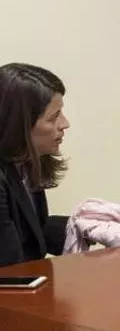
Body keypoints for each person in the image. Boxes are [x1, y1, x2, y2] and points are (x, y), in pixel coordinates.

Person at [0, 63, 71, 266]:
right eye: (54, 117)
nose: (65, 124)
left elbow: (33, 234)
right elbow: (10, 266)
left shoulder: (25, 163)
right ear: (19, 124)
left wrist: (78, 224)